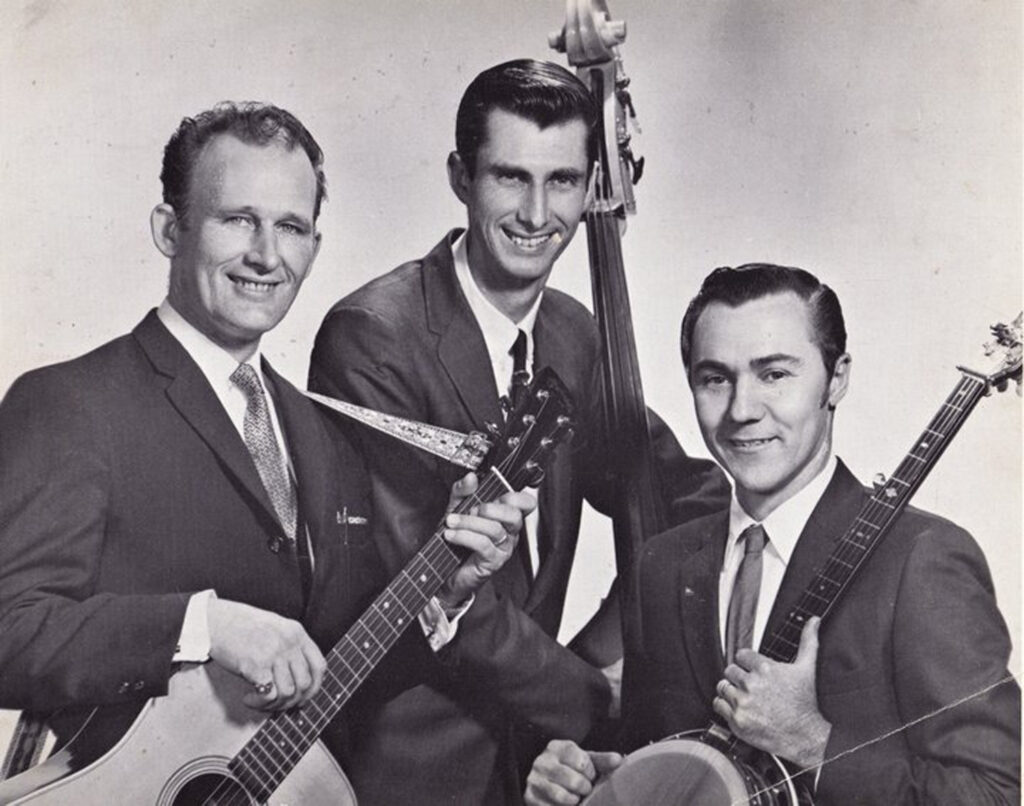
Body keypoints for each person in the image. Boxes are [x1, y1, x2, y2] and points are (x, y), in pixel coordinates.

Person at [0, 102, 533, 784]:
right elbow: (9, 632)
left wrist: (449, 590)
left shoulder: (323, 435)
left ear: (313, 245)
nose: (266, 254)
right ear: (170, 229)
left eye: (290, 227)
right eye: (237, 220)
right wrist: (205, 627)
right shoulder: (72, 403)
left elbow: (335, 677)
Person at [309, 60, 729, 805]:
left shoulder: (572, 332)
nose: (538, 214)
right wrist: (604, 703)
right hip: (404, 773)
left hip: (539, 760)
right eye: (510, 177)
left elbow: (687, 499)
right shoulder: (372, 337)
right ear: (460, 177)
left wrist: (619, 639)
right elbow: (438, 595)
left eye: (563, 181)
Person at [524, 264, 1020, 805]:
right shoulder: (661, 564)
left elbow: (995, 793)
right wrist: (590, 779)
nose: (741, 410)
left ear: (837, 378)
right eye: (716, 379)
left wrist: (813, 742)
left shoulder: (922, 559)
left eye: (774, 375)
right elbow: (663, 758)